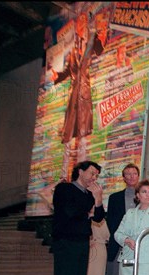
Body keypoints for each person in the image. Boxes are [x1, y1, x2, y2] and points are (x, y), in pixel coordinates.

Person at [52, 10, 109, 181]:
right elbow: (69, 69)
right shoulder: (74, 49)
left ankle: (80, 178)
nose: (81, 25)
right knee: (68, 138)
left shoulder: (90, 43)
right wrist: (57, 77)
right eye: (79, 22)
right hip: (73, 97)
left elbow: (99, 49)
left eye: (83, 22)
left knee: (82, 137)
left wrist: (101, 33)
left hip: (84, 94)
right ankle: (64, 177)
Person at [90, 163, 139, 275]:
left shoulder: (145, 197)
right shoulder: (115, 198)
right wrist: (122, 238)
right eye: (128, 174)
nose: (131, 177)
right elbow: (110, 222)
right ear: (123, 178)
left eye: (134, 173)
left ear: (138, 176)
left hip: (138, 249)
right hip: (117, 247)